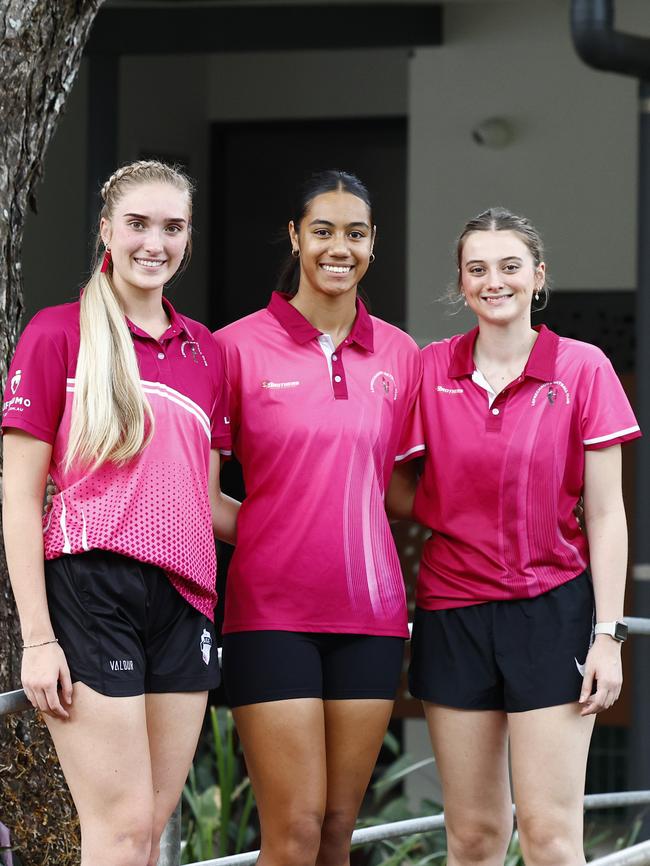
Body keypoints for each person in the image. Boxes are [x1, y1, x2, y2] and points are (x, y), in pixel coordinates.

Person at [2, 160, 237, 866]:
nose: (153, 242)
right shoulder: (56, 334)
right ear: (107, 228)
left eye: (172, 227)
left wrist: (304, 534)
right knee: (121, 830)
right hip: (90, 589)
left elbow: (208, 500)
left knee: (147, 833)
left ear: (188, 238)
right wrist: (38, 638)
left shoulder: (208, 353)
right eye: (137, 223)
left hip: (185, 600)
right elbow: (16, 494)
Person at [388, 207, 641, 866]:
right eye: (477, 269)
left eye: (508, 267)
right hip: (452, 613)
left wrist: (608, 637)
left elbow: (608, 513)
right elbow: (393, 484)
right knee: (471, 837)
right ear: (462, 283)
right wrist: (455, 515)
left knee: (552, 837)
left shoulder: (583, 368)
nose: (493, 281)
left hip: (552, 612)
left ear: (537, 277)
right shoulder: (429, 369)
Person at [213, 170, 422, 866]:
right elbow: (203, 496)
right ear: (297, 236)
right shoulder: (234, 348)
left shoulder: (402, 355)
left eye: (355, 233)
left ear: (372, 244)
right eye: (324, 230)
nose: (340, 247)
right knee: (294, 830)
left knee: (337, 830)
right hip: (271, 615)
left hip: (372, 615)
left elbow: (397, 491)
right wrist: (284, 531)